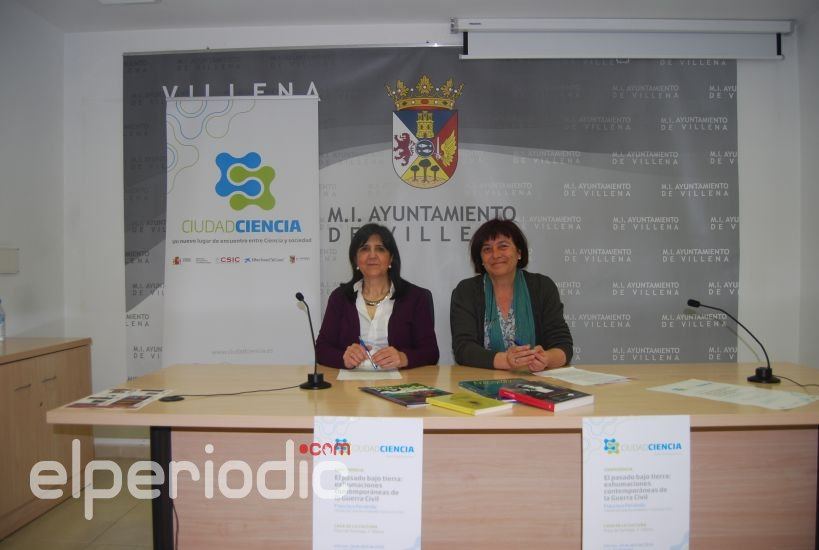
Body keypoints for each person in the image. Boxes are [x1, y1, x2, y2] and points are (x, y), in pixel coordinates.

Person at [450, 218, 573, 371]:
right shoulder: (466, 291)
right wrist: (506, 361)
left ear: (519, 252)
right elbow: (463, 349)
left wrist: (546, 359)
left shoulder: (542, 287)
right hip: (483, 379)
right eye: (487, 249)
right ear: (480, 259)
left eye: (503, 246)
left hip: (536, 380)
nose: (495, 255)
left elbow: (563, 345)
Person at [316, 223, 439, 369]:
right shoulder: (340, 298)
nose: (372, 256)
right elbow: (322, 349)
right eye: (365, 249)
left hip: (401, 380)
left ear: (391, 258)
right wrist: (343, 358)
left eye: (380, 249)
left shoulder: (415, 297)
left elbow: (431, 352)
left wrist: (403, 358)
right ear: (355, 259)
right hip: (350, 381)